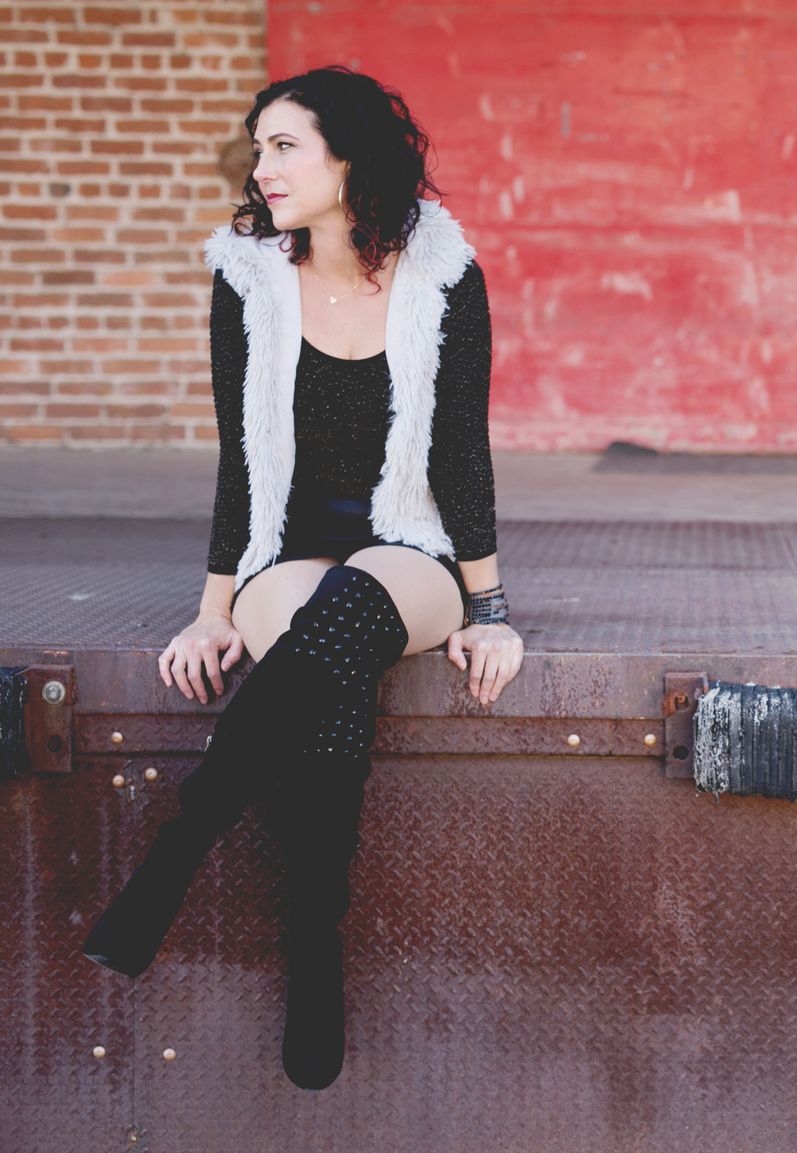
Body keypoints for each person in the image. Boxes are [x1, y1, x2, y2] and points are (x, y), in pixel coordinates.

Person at [79, 66, 524, 1090]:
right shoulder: (248, 279)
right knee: (322, 654)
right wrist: (212, 609)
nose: (262, 167)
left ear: (350, 157)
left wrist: (490, 608)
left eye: (285, 146)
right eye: (259, 148)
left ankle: (176, 854)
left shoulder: (443, 273)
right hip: (287, 544)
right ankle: (314, 945)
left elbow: (461, 450)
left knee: (347, 614)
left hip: (405, 543)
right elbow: (242, 461)